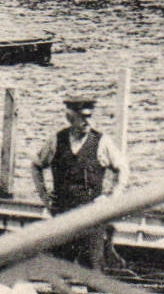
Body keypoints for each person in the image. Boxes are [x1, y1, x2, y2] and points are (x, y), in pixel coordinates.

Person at [31, 96, 123, 271]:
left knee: (93, 265)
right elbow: (36, 166)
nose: (88, 121)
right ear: (70, 118)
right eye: (83, 117)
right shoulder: (56, 140)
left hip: (92, 215)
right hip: (63, 214)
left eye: (90, 116)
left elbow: (122, 168)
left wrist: (112, 198)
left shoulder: (101, 142)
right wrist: (44, 197)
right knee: (60, 266)